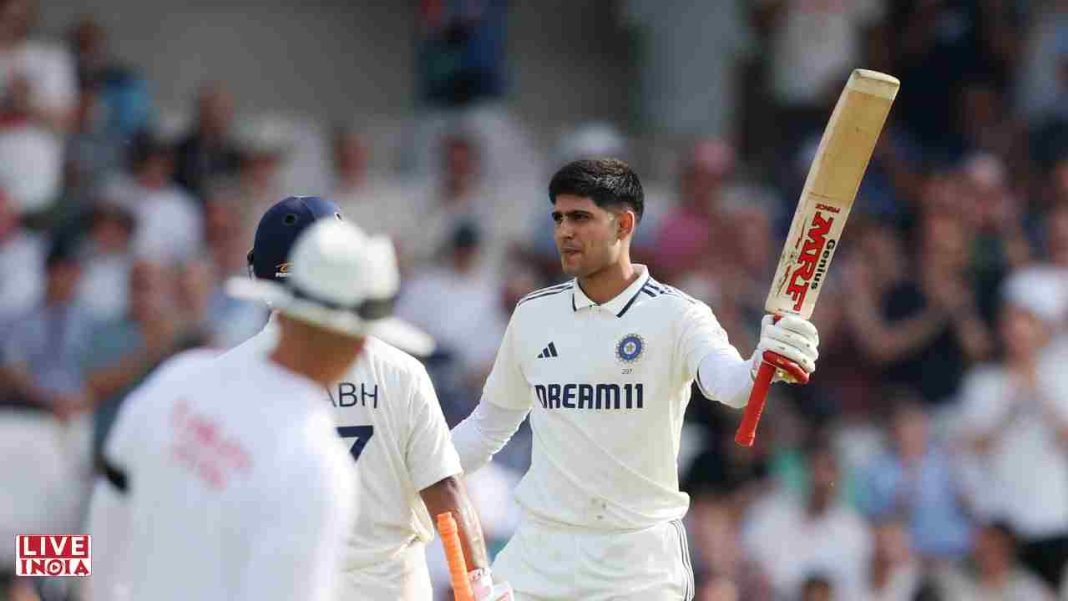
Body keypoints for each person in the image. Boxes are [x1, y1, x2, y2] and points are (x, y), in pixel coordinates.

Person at [451, 158, 820, 599]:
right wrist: (410, 469)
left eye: (580, 217)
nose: (564, 232)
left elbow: (732, 386)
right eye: (559, 218)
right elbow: (486, 428)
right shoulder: (533, 314)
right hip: (541, 555)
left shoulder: (679, 314)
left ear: (623, 224)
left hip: (638, 564)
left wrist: (765, 362)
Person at [222, 196, 511, 600]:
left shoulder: (224, 378)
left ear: (258, 276)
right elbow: (446, 491)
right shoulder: (401, 371)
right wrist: (480, 588)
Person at [86, 219, 377, 601]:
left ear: (280, 307)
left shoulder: (180, 375)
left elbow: (106, 524)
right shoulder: (319, 465)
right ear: (358, 346)